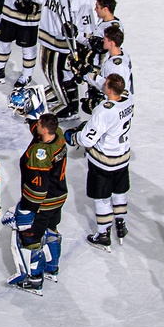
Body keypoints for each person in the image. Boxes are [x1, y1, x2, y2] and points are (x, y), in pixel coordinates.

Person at [65, 73, 133, 250]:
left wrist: (73, 136)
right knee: (119, 192)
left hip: (105, 161)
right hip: (122, 157)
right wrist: (90, 76)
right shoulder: (128, 98)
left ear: (109, 90)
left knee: (102, 197)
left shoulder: (104, 111)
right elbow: (110, 86)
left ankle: (103, 234)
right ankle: (121, 224)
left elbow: (87, 140)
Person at [4, 111, 68, 293]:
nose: (36, 126)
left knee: (30, 239)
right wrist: (31, 118)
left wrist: (27, 209)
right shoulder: (58, 135)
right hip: (59, 197)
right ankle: (52, 268)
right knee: (51, 230)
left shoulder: (39, 156)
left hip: (43, 203)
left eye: (39, 124)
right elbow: (38, 130)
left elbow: (38, 188)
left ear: (45, 130)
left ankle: (34, 279)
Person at [36, 0, 94, 120]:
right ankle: (61, 96)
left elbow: (87, 23)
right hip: (47, 39)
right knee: (50, 73)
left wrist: (77, 34)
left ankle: (69, 107)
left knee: (60, 75)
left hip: (63, 44)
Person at [81, 26, 132, 114]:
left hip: (115, 109)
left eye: (105, 39)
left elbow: (114, 88)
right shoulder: (121, 54)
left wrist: (87, 75)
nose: (102, 41)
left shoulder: (116, 66)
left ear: (111, 43)